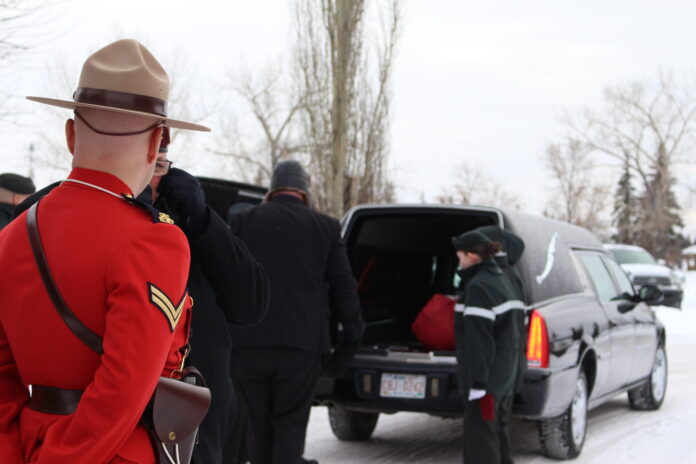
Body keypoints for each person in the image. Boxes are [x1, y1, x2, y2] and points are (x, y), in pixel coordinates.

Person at [0, 39, 209, 463]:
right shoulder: (154, 240)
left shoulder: (13, 235)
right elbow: (123, 390)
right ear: (157, 144)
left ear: (71, 134)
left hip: (26, 446)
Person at [228, 160, 365, 464]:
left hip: (247, 345)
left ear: (272, 188)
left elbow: (227, 278)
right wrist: (352, 335)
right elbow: (344, 285)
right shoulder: (325, 227)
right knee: (289, 426)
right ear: (306, 189)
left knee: (257, 429)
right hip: (300, 347)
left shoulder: (242, 222)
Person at [148, 141, 270, 464]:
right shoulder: (112, 219)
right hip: (134, 410)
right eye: (146, 163)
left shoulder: (192, 224)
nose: (151, 176)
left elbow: (252, 302)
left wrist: (204, 221)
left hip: (199, 414)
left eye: (160, 166)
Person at [451, 230, 525, 464]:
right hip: (505, 377)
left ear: (472, 256)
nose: (458, 262)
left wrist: (478, 382)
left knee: (481, 441)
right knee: (498, 435)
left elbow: (479, 341)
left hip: (487, 383)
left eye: (459, 256)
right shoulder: (505, 279)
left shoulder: (478, 288)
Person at [476, 225, 527, 394]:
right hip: (505, 363)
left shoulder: (495, 277)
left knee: (488, 416)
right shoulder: (511, 274)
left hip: (495, 367)